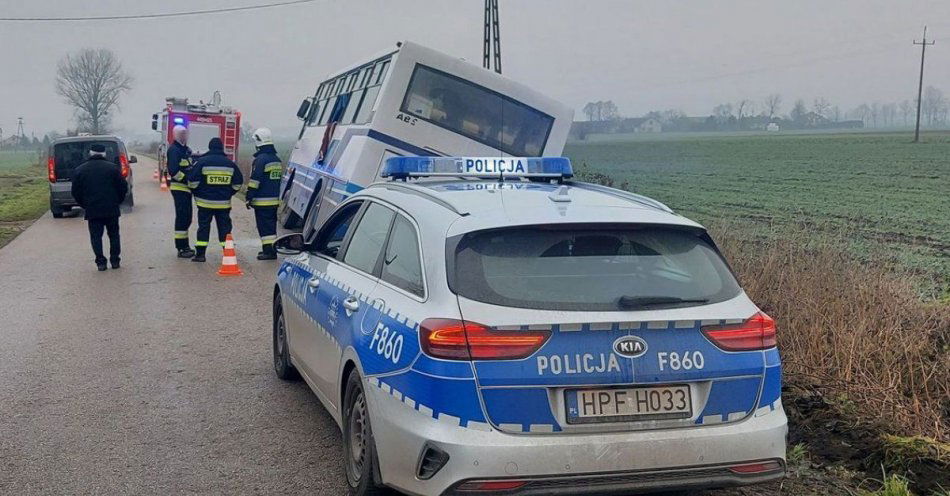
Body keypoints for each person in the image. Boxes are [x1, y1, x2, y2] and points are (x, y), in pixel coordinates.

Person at [71, 144, 128, 271]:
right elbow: (123, 188)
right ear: (104, 154)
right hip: (111, 208)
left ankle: (101, 262)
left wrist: (84, 205)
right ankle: (115, 261)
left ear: (90, 153)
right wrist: (117, 201)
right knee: (114, 235)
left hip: (92, 209)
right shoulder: (113, 169)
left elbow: (75, 192)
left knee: (96, 237)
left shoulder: (80, 170)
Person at [187, 137, 243, 262]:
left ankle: (200, 255)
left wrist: (197, 193)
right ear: (221, 148)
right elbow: (238, 183)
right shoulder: (230, 164)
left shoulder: (202, 162)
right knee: (225, 229)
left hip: (204, 204)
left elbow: (192, 182)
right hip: (223, 204)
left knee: (203, 228)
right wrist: (228, 193)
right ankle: (228, 254)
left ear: (210, 147)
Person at [244, 128, 282, 260]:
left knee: (264, 228)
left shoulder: (260, 160)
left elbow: (255, 180)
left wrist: (249, 196)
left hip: (262, 201)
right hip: (273, 201)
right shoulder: (276, 159)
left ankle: (269, 252)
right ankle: (269, 250)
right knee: (271, 227)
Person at [167, 125, 196, 258]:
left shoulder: (185, 150)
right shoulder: (174, 150)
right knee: (183, 217)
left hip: (186, 190)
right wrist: (187, 181)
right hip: (180, 188)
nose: (185, 136)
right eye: (182, 134)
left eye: (186, 133)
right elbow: (173, 171)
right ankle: (182, 247)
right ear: (176, 135)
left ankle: (185, 246)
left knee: (187, 217)